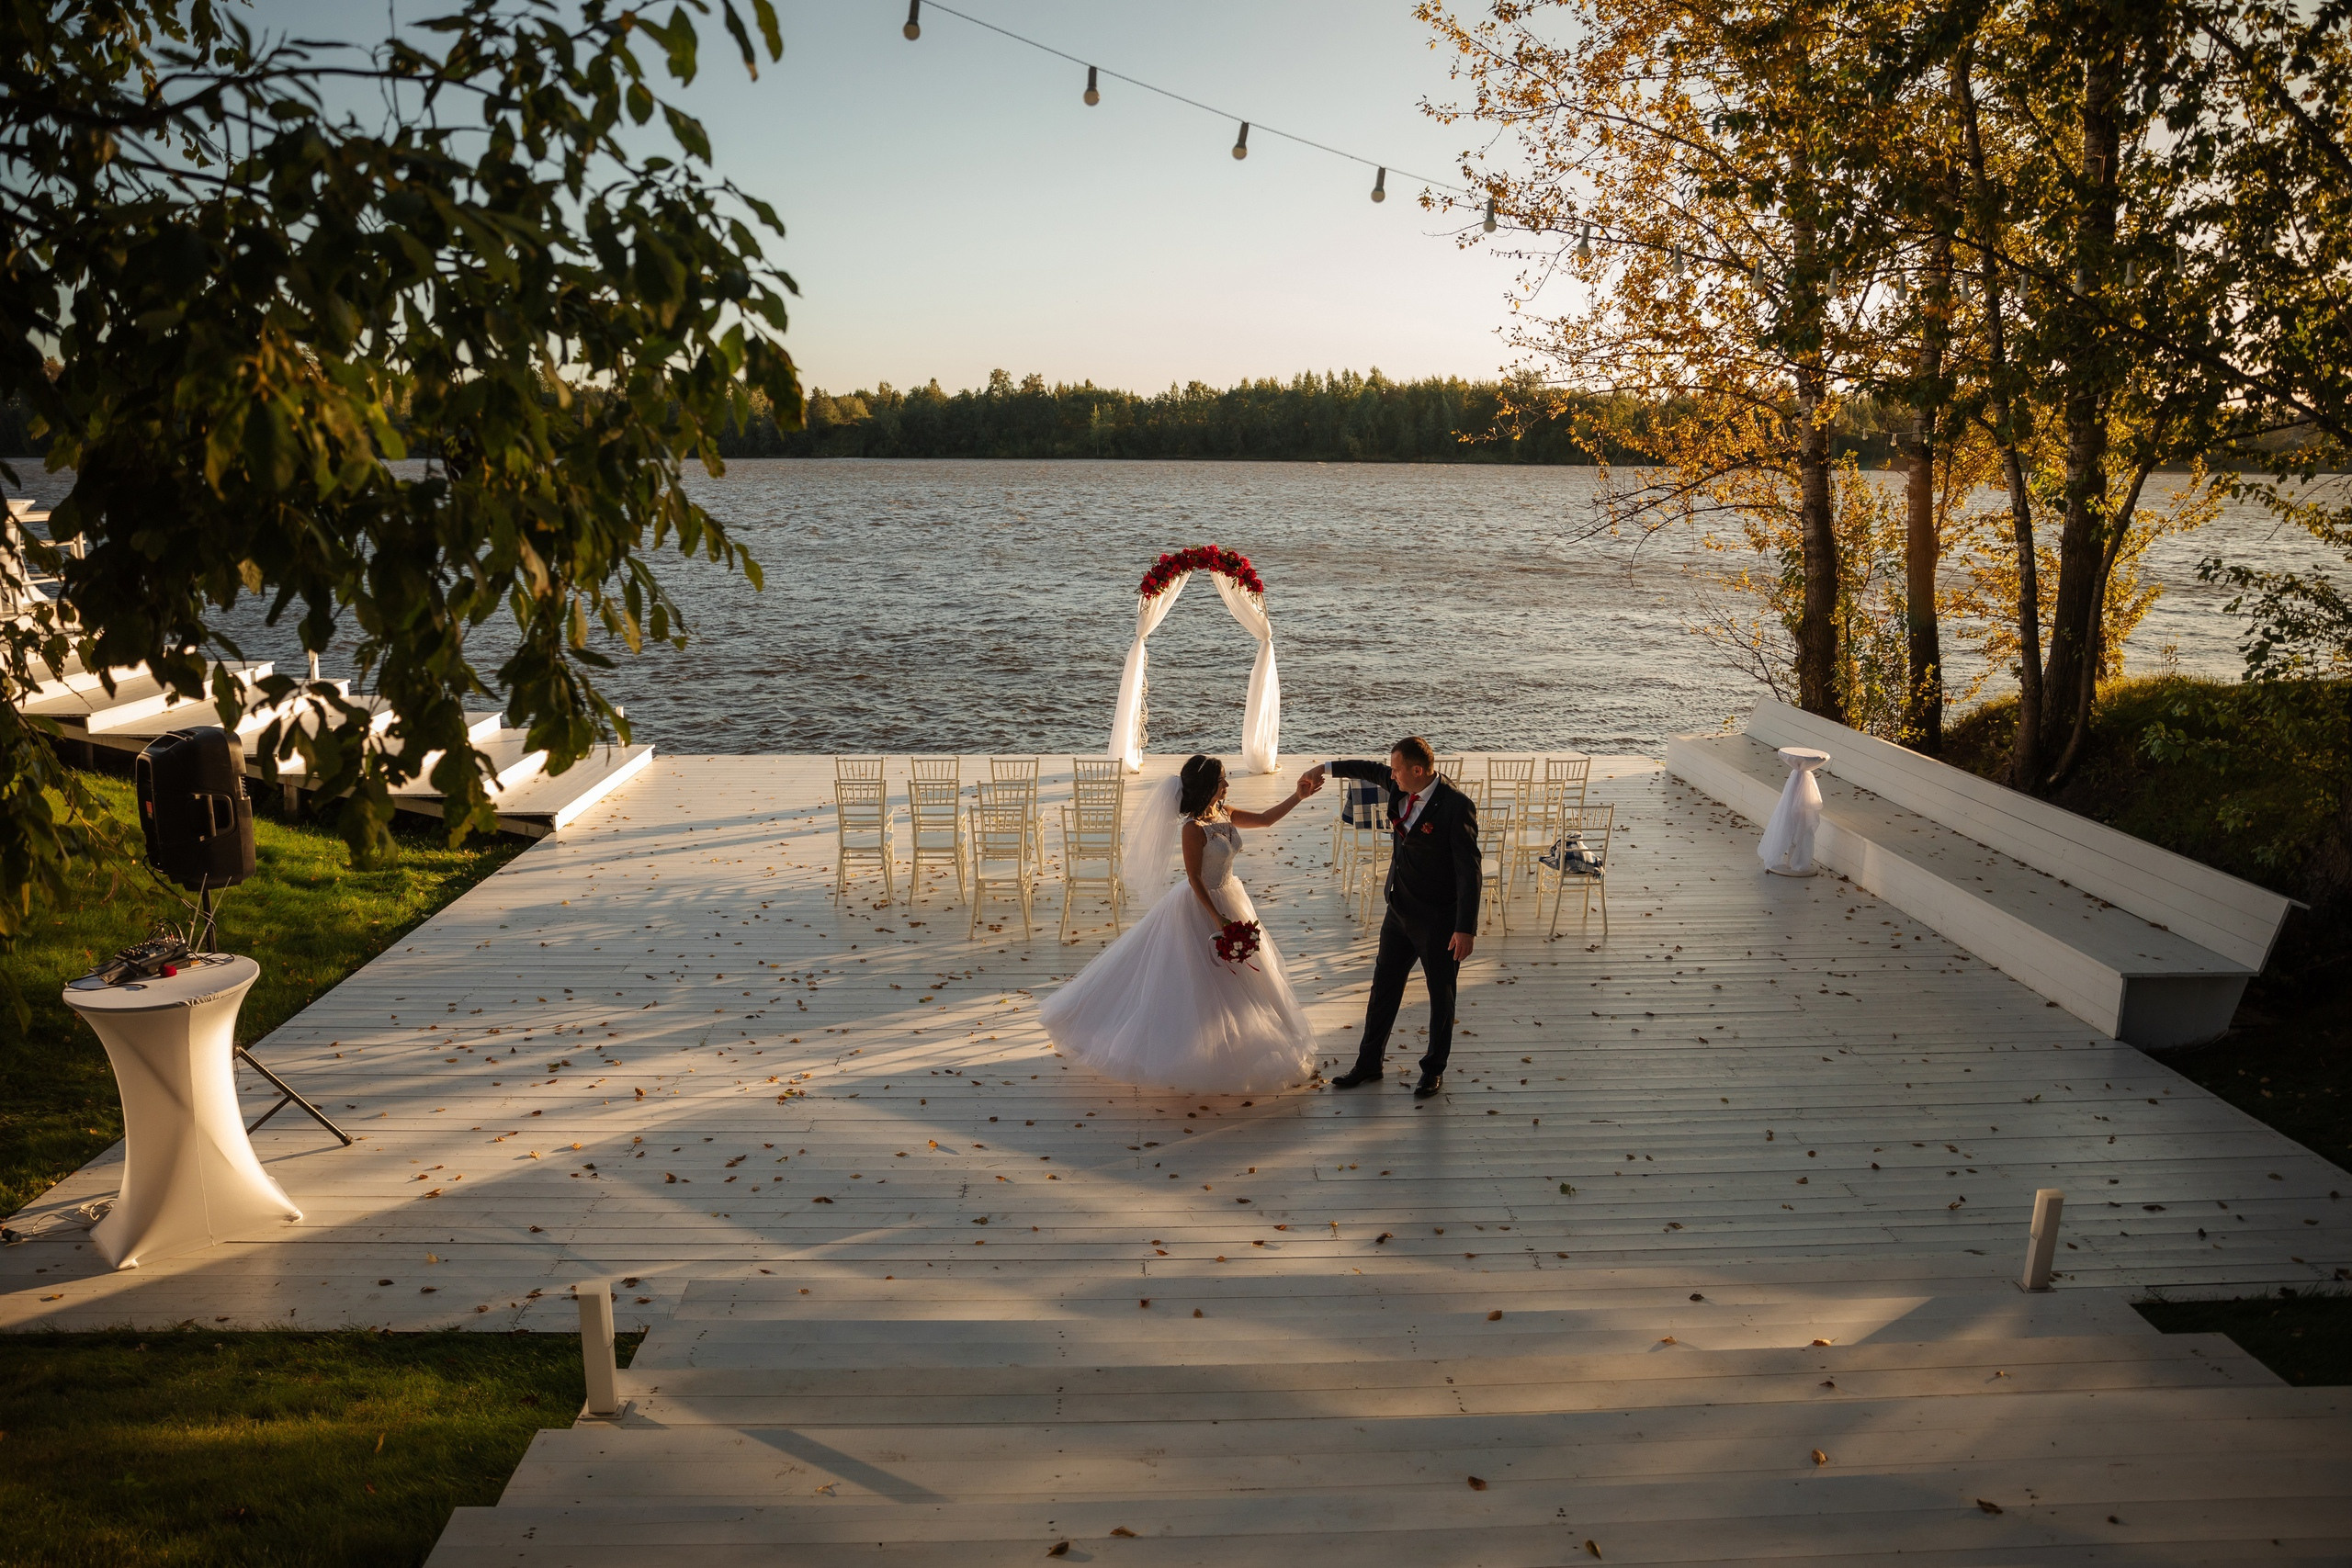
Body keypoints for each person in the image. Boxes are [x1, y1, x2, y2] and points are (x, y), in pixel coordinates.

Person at [1039, 753, 1319, 1093]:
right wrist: (1217, 917)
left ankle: (1238, 1047)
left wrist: (1297, 796)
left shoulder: (1223, 813)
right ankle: (1192, 1053)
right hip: (1203, 906)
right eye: (1222, 782)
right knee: (1197, 984)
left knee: (1242, 980)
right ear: (1207, 789)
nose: (1228, 786)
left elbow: (1264, 820)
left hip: (1232, 896)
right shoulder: (1193, 830)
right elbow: (1194, 879)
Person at [1297, 737, 1477, 1099]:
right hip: (1398, 912)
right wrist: (1323, 769)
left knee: (1441, 997)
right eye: (1390, 769)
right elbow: (1365, 769)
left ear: (1418, 770)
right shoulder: (1399, 786)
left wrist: (1465, 928)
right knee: (1383, 990)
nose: (1390, 776)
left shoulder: (1456, 807)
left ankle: (1433, 1070)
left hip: (1439, 920)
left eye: (1396, 769)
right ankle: (1369, 1063)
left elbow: (1468, 872)